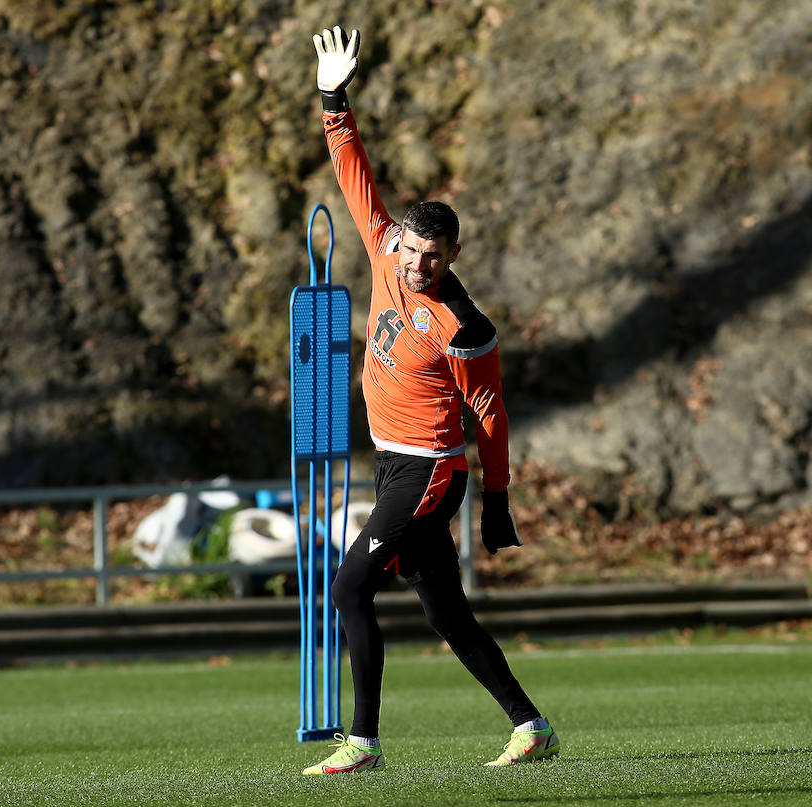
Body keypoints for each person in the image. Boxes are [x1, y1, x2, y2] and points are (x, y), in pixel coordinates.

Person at [299, 25, 559, 775]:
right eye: (411, 249)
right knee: (445, 609)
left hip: (431, 472)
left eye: (432, 256)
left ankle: (364, 741)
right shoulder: (385, 246)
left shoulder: (461, 324)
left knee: (349, 586)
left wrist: (499, 499)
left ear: (451, 258)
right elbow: (354, 171)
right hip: (392, 464)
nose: (416, 263)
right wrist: (332, 97)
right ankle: (531, 723)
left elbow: (491, 415)